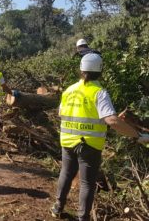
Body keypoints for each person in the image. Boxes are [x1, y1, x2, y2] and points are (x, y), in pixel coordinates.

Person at [50, 53, 149, 221]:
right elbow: (111, 120)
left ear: (81, 70)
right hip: (89, 145)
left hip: (67, 141)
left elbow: (60, 112)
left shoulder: (69, 90)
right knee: (87, 183)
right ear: (100, 72)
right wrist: (137, 135)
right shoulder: (99, 92)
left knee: (66, 174)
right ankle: (83, 218)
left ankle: (57, 208)